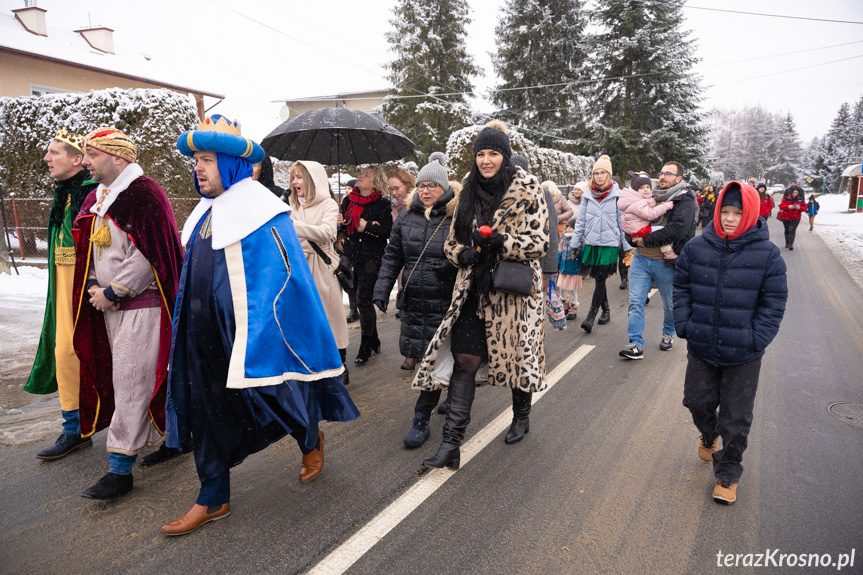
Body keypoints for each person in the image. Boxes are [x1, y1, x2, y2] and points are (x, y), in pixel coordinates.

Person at [162, 115, 359, 536]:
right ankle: (213, 496)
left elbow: (286, 284)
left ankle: (309, 439)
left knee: (279, 396)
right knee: (209, 412)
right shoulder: (202, 214)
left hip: (253, 336)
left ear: (232, 164)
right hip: (204, 338)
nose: (198, 167)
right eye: (196, 159)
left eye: (208, 159)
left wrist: (260, 331)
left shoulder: (265, 213)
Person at [414, 120, 549, 469]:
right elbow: (450, 243)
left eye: (493, 153)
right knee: (465, 362)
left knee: (518, 363)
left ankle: (521, 414)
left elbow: (540, 243)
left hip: (513, 294)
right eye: (480, 154)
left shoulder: (529, 189)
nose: (486, 160)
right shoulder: (468, 192)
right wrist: (464, 254)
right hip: (473, 291)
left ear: (504, 156)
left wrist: (505, 242)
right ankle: (451, 444)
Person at [72, 127, 184, 499]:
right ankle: (176, 436)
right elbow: (88, 248)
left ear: (118, 158)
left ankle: (120, 470)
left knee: (131, 381)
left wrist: (115, 290)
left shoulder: (144, 194)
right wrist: (92, 286)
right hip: (107, 308)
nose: (85, 161)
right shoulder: (97, 197)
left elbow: (150, 253)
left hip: (141, 307)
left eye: (92, 154)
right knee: (129, 378)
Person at [674, 181, 787, 505]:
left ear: (750, 213)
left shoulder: (767, 255)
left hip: (744, 354)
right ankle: (709, 435)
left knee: (736, 419)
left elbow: (775, 300)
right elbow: (681, 285)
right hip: (702, 347)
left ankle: (728, 473)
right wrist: (684, 323)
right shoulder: (698, 247)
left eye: (738, 212)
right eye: (725, 211)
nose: (730, 218)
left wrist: (757, 338)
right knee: (696, 402)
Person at [373, 156, 459, 446]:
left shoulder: (456, 217)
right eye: (421, 185)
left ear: (444, 188)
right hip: (415, 302)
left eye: (432, 185)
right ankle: (446, 392)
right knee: (425, 357)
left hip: (446, 304)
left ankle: (421, 419)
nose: (425, 190)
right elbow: (393, 256)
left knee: (436, 361)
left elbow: (468, 256)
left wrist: (450, 267)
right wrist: (382, 289)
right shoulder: (407, 217)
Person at [27, 128, 98, 460]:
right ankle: (74, 429)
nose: (46, 158)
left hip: (91, 289)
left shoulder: (94, 194)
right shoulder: (63, 195)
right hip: (64, 287)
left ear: (77, 159)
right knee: (64, 352)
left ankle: (152, 424)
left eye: (53, 152)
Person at [620, 161, 697, 360]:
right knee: (635, 302)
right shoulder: (650, 194)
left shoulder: (685, 198)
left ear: (679, 179)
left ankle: (668, 333)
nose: (662, 177)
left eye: (668, 174)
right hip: (641, 260)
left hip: (667, 263)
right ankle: (635, 344)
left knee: (670, 304)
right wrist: (632, 239)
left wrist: (645, 239)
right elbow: (630, 220)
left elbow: (678, 229)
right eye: (661, 173)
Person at [288, 160, 351, 387]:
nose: (295, 182)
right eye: (293, 177)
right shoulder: (292, 204)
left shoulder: (329, 204)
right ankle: (315, 365)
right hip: (300, 266)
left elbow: (326, 233)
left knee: (332, 316)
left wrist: (292, 226)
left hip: (324, 266)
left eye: (300, 176)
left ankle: (340, 365)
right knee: (306, 317)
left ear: (313, 179)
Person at [339, 165, 393, 364]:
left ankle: (365, 346)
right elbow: (342, 230)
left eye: (367, 175)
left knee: (363, 300)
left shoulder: (382, 204)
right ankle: (375, 339)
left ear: (375, 182)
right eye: (361, 173)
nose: (361, 176)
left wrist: (366, 226)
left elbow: (387, 231)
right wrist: (340, 223)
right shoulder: (347, 201)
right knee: (359, 297)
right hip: (352, 257)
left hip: (372, 259)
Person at [568, 155, 627, 333]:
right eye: (596, 173)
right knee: (597, 279)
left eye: (602, 173)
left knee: (600, 278)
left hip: (609, 243)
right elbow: (581, 222)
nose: (599, 176)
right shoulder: (587, 195)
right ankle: (606, 310)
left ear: (609, 175)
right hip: (592, 242)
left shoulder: (618, 195)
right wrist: (575, 242)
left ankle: (591, 316)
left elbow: (622, 223)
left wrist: (627, 247)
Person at [618, 172, 676, 260]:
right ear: (635, 190)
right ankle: (668, 252)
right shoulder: (636, 203)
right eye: (641, 188)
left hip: (634, 228)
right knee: (663, 230)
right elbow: (650, 214)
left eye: (648, 187)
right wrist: (665, 206)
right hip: (638, 230)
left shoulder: (635, 199)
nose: (646, 190)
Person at [388, 166, 417, 319]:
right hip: (401, 252)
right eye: (391, 189)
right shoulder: (395, 208)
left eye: (397, 188)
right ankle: (402, 303)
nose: (394, 193)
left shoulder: (415, 204)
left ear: (408, 184)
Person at [341, 178, 360, 324]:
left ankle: (358, 307)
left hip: (359, 249)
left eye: (350, 187)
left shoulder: (358, 205)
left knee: (357, 281)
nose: (347, 190)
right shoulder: (342, 205)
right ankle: (354, 309)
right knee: (348, 280)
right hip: (346, 249)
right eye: (346, 187)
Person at [777, 185, 806, 250]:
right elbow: (781, 206)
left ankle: (791, 244)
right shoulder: (786, 198)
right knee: (787, 230)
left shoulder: (800, 200)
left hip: (796, 217)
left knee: (792, 229)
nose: (795, 194)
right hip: (786, 217)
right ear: (791, 192)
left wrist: (799, 208)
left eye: (796, 193)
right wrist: (788, 207)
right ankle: (787, 242)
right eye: (794, 192)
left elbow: (804, 208)